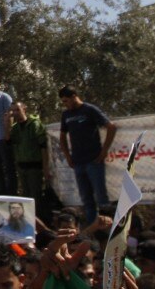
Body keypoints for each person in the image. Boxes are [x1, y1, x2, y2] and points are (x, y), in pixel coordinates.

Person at [59, 86, 117, 224]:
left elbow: (111, 127)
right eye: (63, 102)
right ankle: (92, 229)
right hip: (78, 162)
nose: (65, 104)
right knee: (86, 199)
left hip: (94, 161)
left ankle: (107, 227)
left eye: (66, 101)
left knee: (101, 196)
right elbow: (62, 136)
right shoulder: (66, 115)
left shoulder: (90, 110)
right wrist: (68, 156)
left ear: (74, 96)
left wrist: (104, 151)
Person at [9, 101, 50, 212]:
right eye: (13, 111)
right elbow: (8, 140)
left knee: (35, 195)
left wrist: (46, 166)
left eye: (17, 110)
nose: (15, 113)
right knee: (25, 196)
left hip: (34, 166)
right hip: (22, 166)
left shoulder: (34, 124)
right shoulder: (15, 128)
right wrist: (6, 121)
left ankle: (39, 219)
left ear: (24, 109)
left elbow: (43, 146)